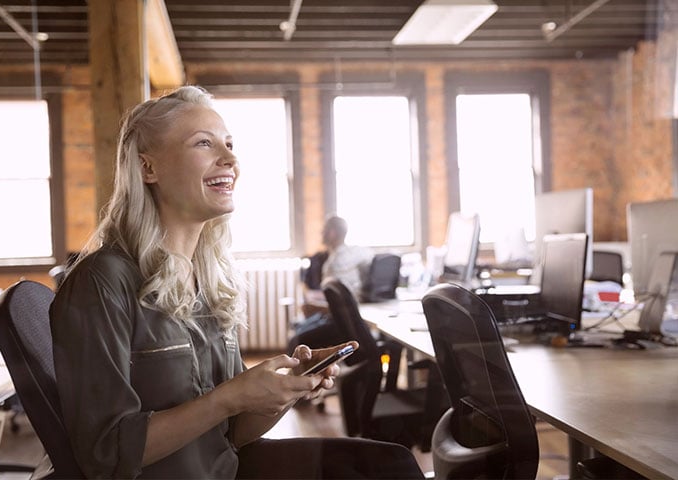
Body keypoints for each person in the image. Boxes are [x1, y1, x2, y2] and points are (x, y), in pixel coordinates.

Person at [49, 86, 423, 479]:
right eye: (204, 144)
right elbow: (104, 454)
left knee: (390, 464)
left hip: (225, 468)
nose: (230, 159)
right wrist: (227, 399)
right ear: (148, 169)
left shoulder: (207, 278)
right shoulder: (101, 283)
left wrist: (282, 392)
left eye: (229, 145)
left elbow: (234, 434)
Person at [288, 216, 374, 352]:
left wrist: (315, 308)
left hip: (343, 324)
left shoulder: (334, 264)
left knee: (296, 340)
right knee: (300, 327)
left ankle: (303, 372)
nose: (321, 234)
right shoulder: (360, 252)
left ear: (332, 233)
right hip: (354, 318)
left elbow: (342, 307)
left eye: (323, 231)